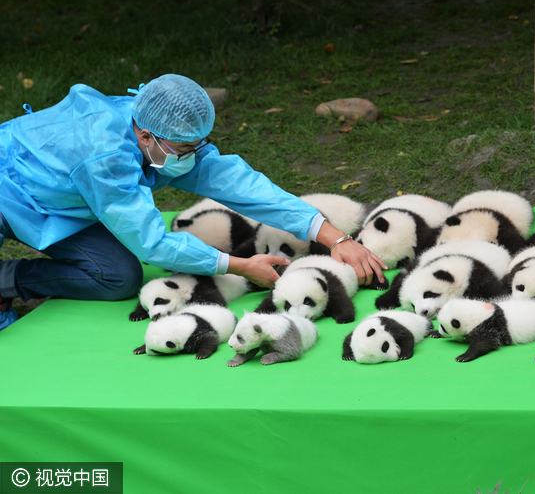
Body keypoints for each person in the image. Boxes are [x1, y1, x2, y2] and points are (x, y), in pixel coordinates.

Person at [0, 75, 386, 331]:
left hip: (63, 196)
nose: (194, 155)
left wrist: (336, 238)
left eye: (198, 145)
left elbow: (243, 186)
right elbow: (150, 242)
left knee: (119, 278)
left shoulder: (156, 135)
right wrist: (240, 266)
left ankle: (7, 280)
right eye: (185, 148)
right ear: (147, 136)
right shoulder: (104, 158)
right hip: (8, 189)